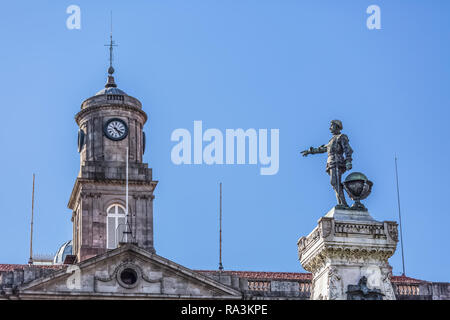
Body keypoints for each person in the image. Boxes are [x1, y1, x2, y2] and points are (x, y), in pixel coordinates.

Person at [301, 120, 353, 207]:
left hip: (337, 162)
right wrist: (310, 151)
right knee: (334, 183)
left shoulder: (341, 137)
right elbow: (322, 149)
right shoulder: (331, 140)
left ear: (337, 126)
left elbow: (348, 150)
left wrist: (348, 161)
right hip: (331, 163)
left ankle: (344, 204)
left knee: (335, 182)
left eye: (332, 126)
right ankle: (341, 203)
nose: (330, 128)